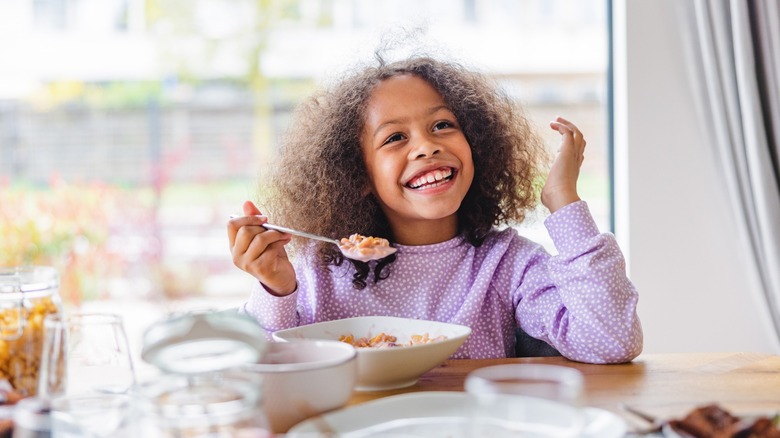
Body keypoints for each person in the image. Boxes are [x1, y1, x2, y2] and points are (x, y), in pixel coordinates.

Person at [227, 54, 642, 364]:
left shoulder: (507, 265)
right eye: (394, 138)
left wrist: (563, 200)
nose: (426, 145)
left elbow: (611, 340)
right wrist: (276, 288)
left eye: (442, 125)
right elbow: (264, 366)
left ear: (477, 144)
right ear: (358, 176)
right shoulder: (317, 268)